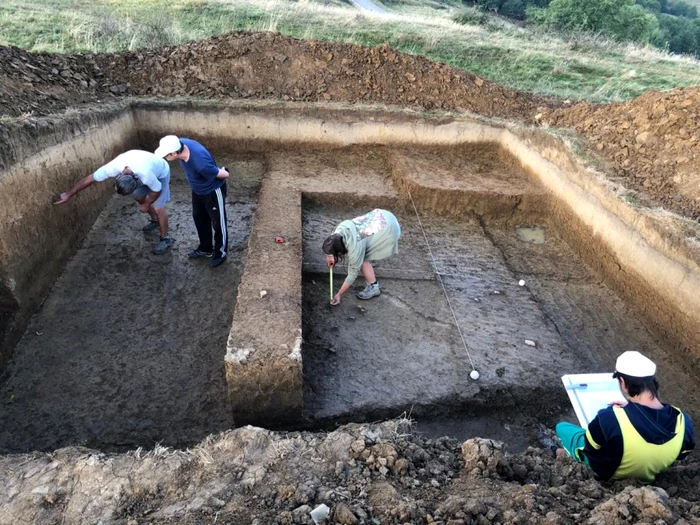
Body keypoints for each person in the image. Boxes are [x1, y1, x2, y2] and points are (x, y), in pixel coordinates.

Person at [554, 351, 695, 482]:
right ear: (652, 382)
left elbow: (590, 449)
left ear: (622, 382)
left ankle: (563, 455)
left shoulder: (609, 418)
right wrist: (631, 410)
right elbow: (682, 454)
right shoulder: (684, 421)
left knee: (562, 428)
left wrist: (617, 417)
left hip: (607, 475)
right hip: (648, 476)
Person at [55, 150, 173, 255]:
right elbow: (89, 179)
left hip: (161, 171)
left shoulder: (147, 176)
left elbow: (156, 190)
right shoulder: (113, 168)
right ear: (118, 177)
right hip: (142, 161)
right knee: (138, 196)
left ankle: (165, 239)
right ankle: (155, 220)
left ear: (137, 182)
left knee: (159, 208)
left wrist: (147, 204)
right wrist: (69, 194)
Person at [155, 135, 229, 268]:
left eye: (166, 155)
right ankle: (205, 248)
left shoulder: (201, 163)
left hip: (212, 191)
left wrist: (224, 170)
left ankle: (220, 252)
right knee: (199, 217)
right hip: (197, 190)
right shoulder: (181, 142)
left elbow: (224, 175)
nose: (165, 158)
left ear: (173, 153)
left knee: (218, 222)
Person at [323, 209, 401, 305]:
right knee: (362, 256)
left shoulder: (355, 248)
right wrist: (330, 257)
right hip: (384, 215)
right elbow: (331, 244)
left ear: (339, 252)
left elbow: (352, 274)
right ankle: (373, 284)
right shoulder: (339, 230)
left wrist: (339, 294)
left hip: (390, 229)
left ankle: (374, 287)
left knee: (362, 259)